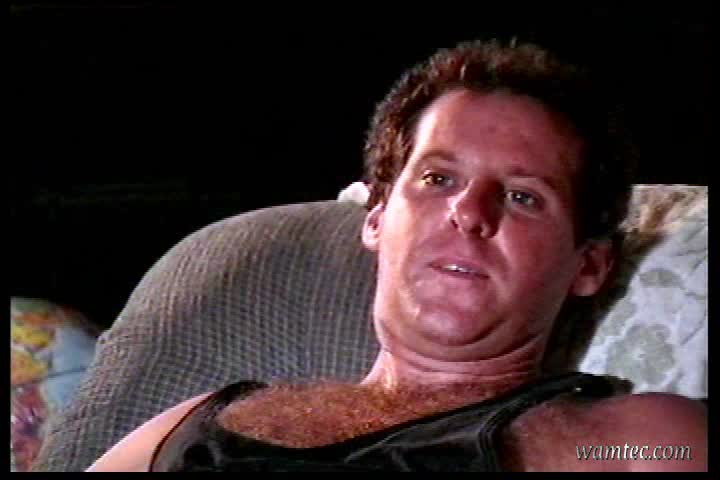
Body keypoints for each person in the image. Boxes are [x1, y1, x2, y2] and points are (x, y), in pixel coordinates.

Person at [86, 39, 707, 472]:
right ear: (378, 217)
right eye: (438, 179)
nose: (469, 212)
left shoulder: (631, 443)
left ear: (589, 266)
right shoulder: (194, 421)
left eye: (523, 197)